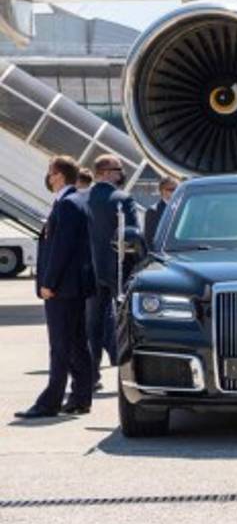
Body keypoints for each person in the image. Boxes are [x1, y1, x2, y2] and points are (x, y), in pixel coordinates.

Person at [15, 156, 94, 419]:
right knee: (76, 344)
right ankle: (80, 397)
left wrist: (49, 282)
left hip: (62, 288)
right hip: (72, 287)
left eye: (50, 173)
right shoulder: (74, 201)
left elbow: (61, 249)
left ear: (59, 176)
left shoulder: (68, 204)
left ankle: (49, 402)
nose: (48, 178)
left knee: (60, 346)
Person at [81, 154, 137, 390]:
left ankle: (91, 376)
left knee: (91, 327)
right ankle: (130, 376)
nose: (121, 173)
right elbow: (133, 237)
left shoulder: (81, 199)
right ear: (104, 173)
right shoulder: (122, 199)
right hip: (119, 270)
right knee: (127, 325)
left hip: (89, 271)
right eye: (118, 169)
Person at [143, 176, 178, 242]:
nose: (175, 192)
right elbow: (149, 237)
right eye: (171, 189)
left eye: (177, 189)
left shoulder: (183, 208)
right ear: (162, 191)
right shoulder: (153, 211)